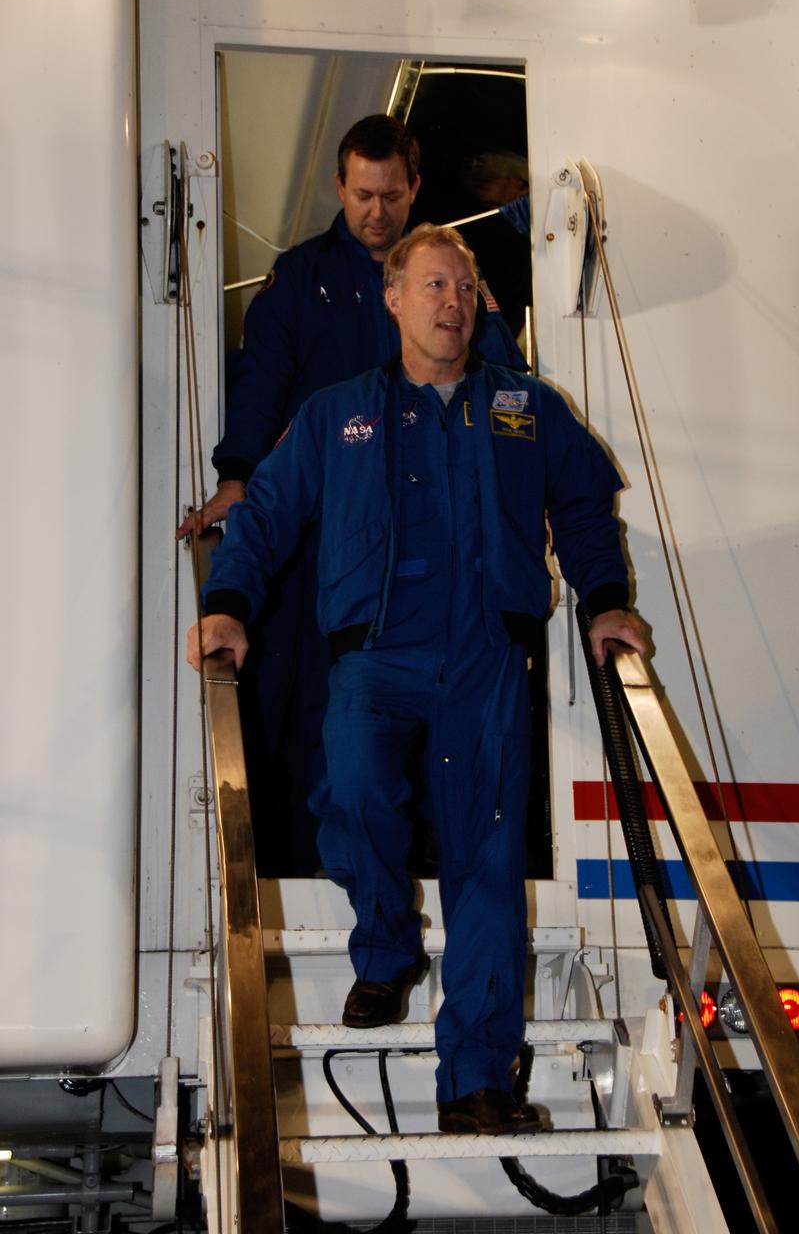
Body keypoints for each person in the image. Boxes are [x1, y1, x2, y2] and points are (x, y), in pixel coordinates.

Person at [187, 223, 647, 1133]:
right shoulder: (336, 415)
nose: (452, 304)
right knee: (352, 797)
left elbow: (587, 507)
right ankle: (388, 943)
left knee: (486, 861)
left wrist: (604, 600)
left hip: (486, 659)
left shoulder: (526, 406)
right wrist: (231, 601)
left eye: (465, 289)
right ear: (393, 299)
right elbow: (266, 514)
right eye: (434, 286)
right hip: (373, 657)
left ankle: (475, 1082)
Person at [178, 115, 525, 875]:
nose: (376, 211)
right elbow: (262, 384)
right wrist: (237, 476)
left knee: (441, 728)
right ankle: (316, 877)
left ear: (414, 189)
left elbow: (506, 391)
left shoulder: (452, 282)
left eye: (391, 196)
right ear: (340, 187)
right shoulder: (302, 280)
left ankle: (426, 871)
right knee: (313, 720)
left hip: (433, 549)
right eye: (363, 195)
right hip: (326, 543)